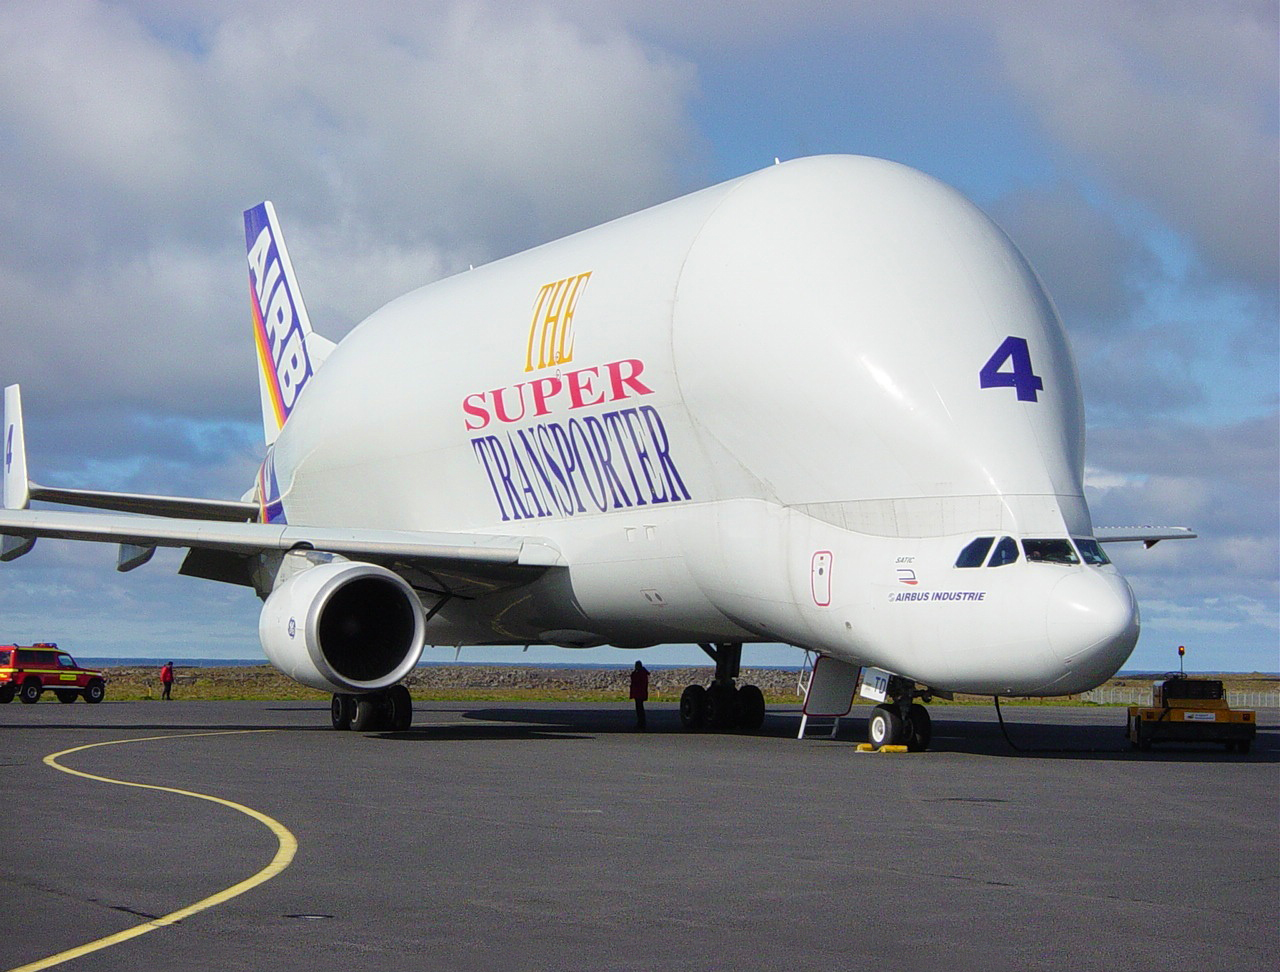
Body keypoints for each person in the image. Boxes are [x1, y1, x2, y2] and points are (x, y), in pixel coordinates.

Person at [628, 660, 650, 730]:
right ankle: (641, 723)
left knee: (639, 709)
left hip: (639, 693)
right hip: (641, 693)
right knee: (640, 709)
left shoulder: (639, 674)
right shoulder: (643, 673)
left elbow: (635, 680)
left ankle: (641, 724)